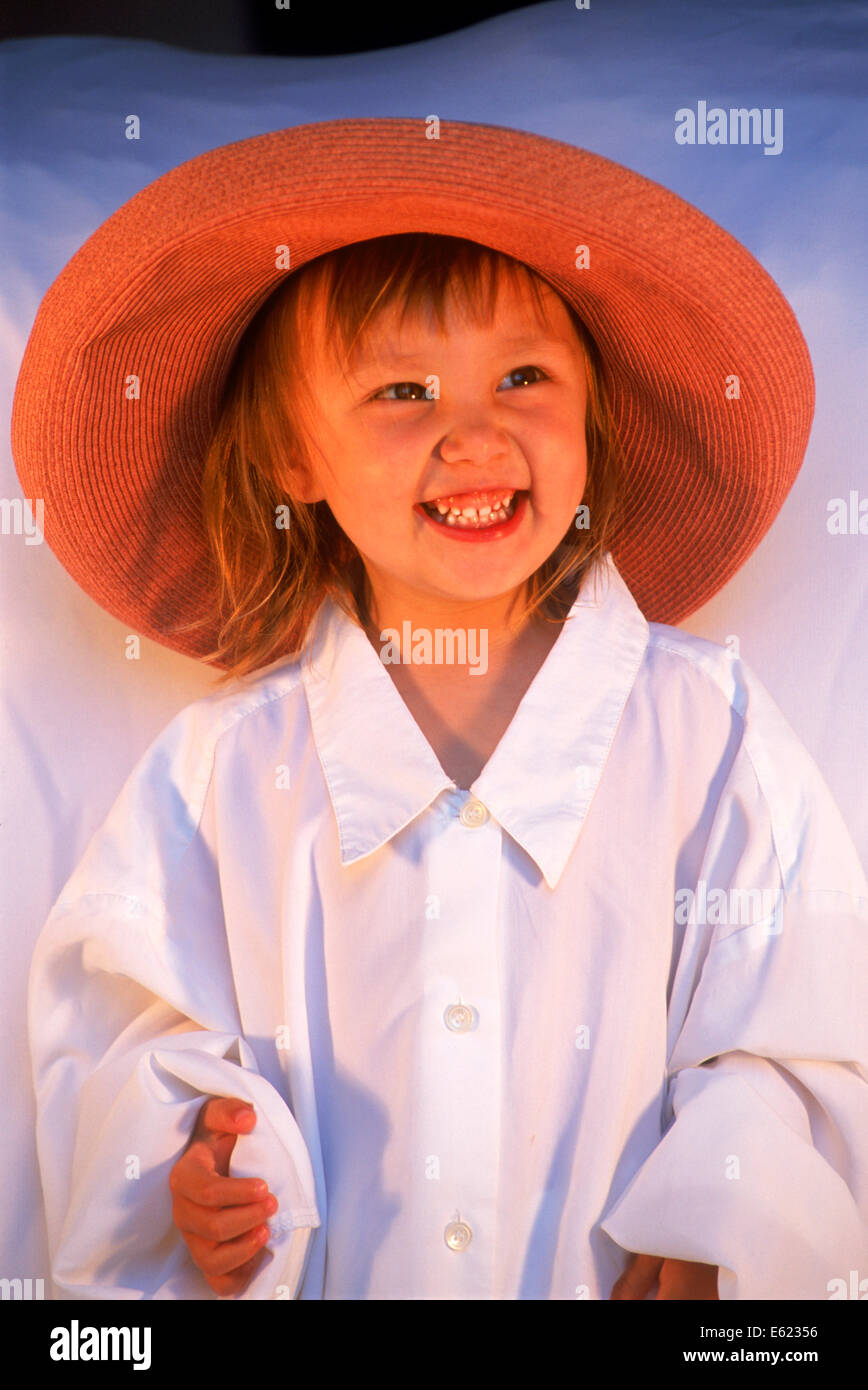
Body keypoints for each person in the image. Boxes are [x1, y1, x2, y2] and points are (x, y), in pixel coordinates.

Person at [15, 118, 868, 1302]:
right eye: (401, 391)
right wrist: (198, 1160)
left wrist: (729, 1210)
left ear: (590, 413)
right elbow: (131, 1029)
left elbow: (801, 1020)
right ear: (290, 458)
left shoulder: (707, 728)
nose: (475, 433)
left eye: (524, 376)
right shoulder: (221, 766)